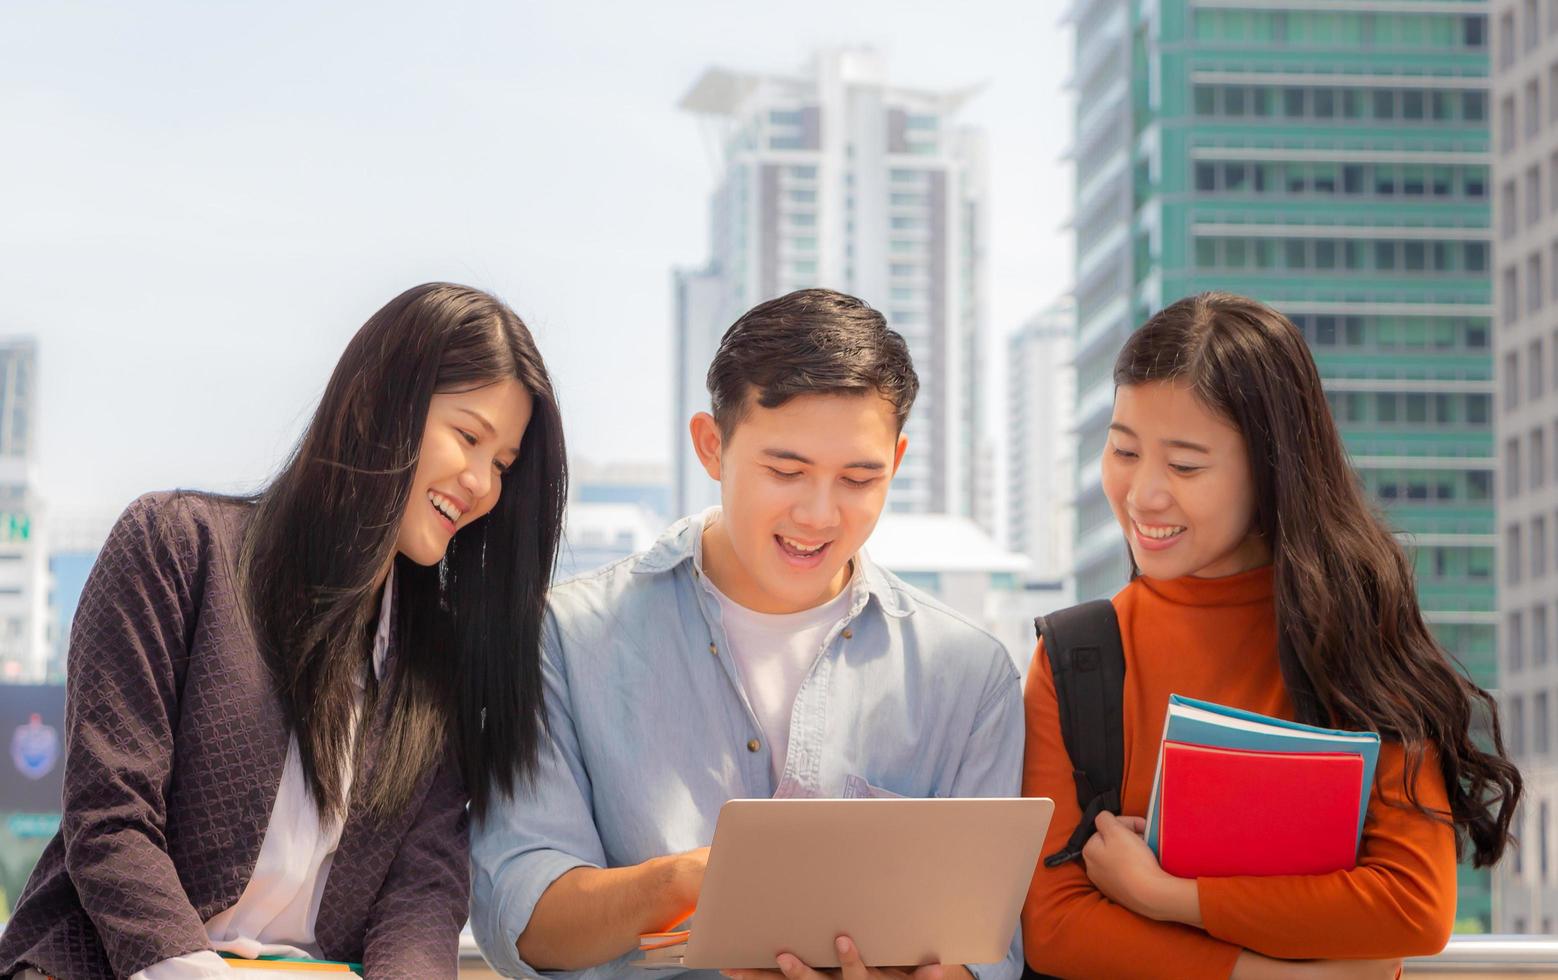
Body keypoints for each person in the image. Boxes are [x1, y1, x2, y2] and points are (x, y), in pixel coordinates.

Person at [0, 283, 568, 980]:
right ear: (378, 402)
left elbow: (424, 892)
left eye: (503, 464)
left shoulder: (438, 662)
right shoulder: (177, 549)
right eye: (469, 437)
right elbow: (110, 817)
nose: (482, 482)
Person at [470, 288, 1025, 980]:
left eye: (859, 478)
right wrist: (685, 883)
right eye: (785, 471)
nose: (819, 514)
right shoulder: (565, 637)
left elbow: (991, 949)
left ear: (898, 462)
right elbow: (517, 917)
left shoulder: (969, 675)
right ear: (712, 446)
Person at [1019, 292, 1523, 980]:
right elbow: (1054, 928)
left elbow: (1412, 906)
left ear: (1272, 467)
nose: (1143, 494)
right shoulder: (1075, 659)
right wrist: (1295, 976)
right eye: (1124, 451)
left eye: (1186, 465)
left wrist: (1164, 897)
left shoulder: (1355, 641)